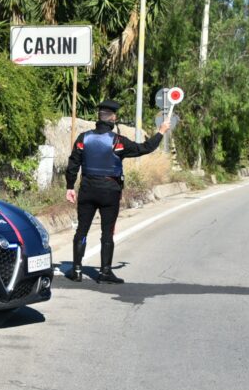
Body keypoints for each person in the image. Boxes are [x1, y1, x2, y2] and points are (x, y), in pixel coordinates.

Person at [65, 99, 171, 284]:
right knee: (107, 232)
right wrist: (161, 131)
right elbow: (145, 148)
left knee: (82, 230)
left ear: (98, 117)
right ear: (113, 118)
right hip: (110, 192)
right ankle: (105, 272)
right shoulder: (118, 142)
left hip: (87, 190)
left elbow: (73, 163)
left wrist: (69, 187)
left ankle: (77, 270)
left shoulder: (83, 138)